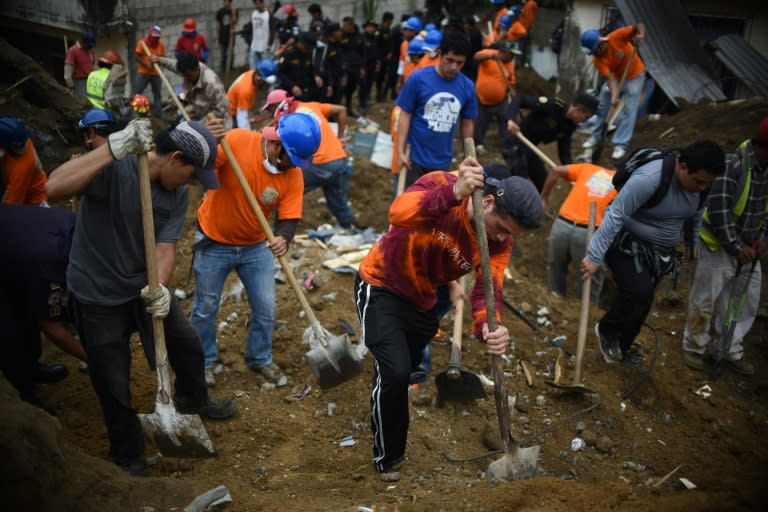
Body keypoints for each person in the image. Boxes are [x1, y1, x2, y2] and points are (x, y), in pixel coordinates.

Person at [45, 118, 237, 476]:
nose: (192, 184)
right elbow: (53, 188)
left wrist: (160, 287)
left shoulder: (175, 192)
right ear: (175, 157)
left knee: (187, 344)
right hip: (96, 293)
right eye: (192, 174)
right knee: (112, 379)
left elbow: (165, 247)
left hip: (142, 288)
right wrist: (112, 149)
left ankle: (191, 400)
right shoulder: (115, 169)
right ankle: (127, 453)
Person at [354, 160, 543, 476]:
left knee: (399, 372)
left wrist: (489, 327)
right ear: (487, 202)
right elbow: (398, 213)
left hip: (424, 299)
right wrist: (452, 193)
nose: (500, 239)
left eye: (508, 236)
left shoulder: (499, 244)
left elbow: (488, 291)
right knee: (397, 373)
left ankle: (385, 388)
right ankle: (388, 459)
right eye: (501, 229)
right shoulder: (443, 183)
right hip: (382, 284)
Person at [190, 113, 321, 388]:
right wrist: (207, 143)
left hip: (255, 246)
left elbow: (288, 219)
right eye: (291, 159)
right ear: (276, 146)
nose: (294, 167)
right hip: (214, 240)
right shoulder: (236, 141)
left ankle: (259, 358)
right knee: (205, 308)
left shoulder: (293, 176)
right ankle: (203, 362)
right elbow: (201, 173)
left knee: (266, 307)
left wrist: (283, 238)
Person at [582, 141, 726, 365]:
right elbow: (616, 214)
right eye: (698, 181)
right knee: (638, 292)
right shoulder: (650, 178)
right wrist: (594, 256)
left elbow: (697, 213)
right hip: (625, 242)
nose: (701, 188)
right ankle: (607, 330)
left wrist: (691, 242)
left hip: (659, 252)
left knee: (644, 303)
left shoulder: (703, 187)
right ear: (683, 167)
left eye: (706, 184)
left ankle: (623, 347)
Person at [682, 119, 768, 376]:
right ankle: (694, 347)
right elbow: (718, 209)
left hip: (748, 250)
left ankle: (730, 348)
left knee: (746, 300)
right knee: (705, 299)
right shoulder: (733, 165)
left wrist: (761, 237)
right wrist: (735, 247)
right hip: (718, 247)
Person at [0, 203, 85, 410]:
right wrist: (94, 361)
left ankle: (32, 367)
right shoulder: (49, 269)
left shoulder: (80, 228)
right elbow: (52, 330)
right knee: (8, 328)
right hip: (14, 255)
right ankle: (23, 393)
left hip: (16, 245)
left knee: (30, 307)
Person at [261, 90, 356, 228]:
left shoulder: (290, 121)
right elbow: (341, 110)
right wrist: (340, 138)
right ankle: (349, 227)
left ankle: (277, 231)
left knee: (284, 190)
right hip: (339, 158)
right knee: (337, 198)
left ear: (278, 105)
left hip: (318, 163)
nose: (271, 112)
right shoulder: (312, 106)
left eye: (271, 108)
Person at [396, 33, 476, 189]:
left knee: (434, 208)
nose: (454, 67)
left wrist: (468, 156)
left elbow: (467, 123)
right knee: (410, 206)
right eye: (450, 60)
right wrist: (400, 151)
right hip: (414, 159)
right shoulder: (418, 79)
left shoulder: (467, 87)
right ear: (440, 54)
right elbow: (405, 114)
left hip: (442, 161)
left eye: (459, 63)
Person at [540, 163, 617, 303]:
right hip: (589, 232)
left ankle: (554, 301)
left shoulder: (588, 168)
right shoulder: (624, 182)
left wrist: (544, 197)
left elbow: (556, 170)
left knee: (556, 266)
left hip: (562, 225)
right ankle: (585, 309)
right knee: (589, 276)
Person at [503, 92, 598, 191]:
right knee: (520, 179)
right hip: (515, 140)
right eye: (586, 117)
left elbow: (564, 152)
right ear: (579, 109)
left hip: (531, 147)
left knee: (543, 181)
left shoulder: (570, 125)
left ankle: (539, 204)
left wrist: (572, 172)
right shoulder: (552, 105)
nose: (585, 121)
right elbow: (519, 98)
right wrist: (510, 120)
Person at [580, 22, 646, 160]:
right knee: (602, 106)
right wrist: (614, 97)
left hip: (634, 75)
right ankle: (596, 137)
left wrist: (640, 34)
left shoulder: (617, 36)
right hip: (616, 78)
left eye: (595, 50)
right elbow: (610, 79)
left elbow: (638, 25)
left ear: (601, 43)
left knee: (629, 110)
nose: (595, 54)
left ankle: (620, 144)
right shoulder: (597, 60)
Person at [155, 52, 231, 129]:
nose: (186, 78)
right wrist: (159, 60)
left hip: (217, 121)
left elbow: (220, 112)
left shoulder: (212, 84)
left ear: (197, 69)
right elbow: (173, 64)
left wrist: (198, 126)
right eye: (184, 75)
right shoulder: (187, 69)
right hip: (197, 108)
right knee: (178, 122)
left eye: (189, 76)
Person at [473, 41, 518, 155]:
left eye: (514, 55)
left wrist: (512, 90)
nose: (513, 57)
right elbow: (476, 57)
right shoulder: (490, 53)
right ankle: (478, 144)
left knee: (505, 121)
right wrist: (490, 56)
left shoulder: (510, 65)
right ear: (504, 52)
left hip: (500, 101)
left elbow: (511, 82)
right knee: (480, 122)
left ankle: (507, 145)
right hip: (481, 99)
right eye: (511, 54)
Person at [1, 117, 47, 206]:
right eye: (18, 147)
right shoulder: (20, 137)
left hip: (34, 201)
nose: (24, 148)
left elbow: (12, 205)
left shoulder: (21, 169)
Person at [228, 59, 276, 129]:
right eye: (264, 83)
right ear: (258, 78)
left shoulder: (252, 73)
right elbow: (242, 118)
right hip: (232, 113)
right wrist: (247, 135)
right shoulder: (245, 90)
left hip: (238, 105)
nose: (265, 87)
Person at [134, 25, 166, 117]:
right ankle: (133, 115)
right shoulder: (142, 43)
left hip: (156, 73)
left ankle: (158, 116)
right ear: (149, 35)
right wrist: (146, 64)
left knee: (157, 95)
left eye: (156, 37)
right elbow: (136, 56)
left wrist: (159, 62)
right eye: (153, 37)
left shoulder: (160, 45)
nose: (154, 39)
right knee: (137, 93)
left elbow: (163, 58)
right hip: (143, 72)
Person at [276, 32, 316, 100]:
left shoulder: (308, 53)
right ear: (300, 43)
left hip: (304, 90)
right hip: (288, 90)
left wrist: (315, 77)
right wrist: (292, 86)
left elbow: (310, 69)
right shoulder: (289, 53)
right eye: (307, 48)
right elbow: (280, 73)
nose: (308, 50)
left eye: (310, 49)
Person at [340, 17, 365, 116]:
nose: (344, 27)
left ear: (351, 25)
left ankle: (349, 106)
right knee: (343, 87)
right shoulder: (342, 35)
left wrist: (362, 67)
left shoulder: (359, 36)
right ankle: (339, 108)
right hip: (345, 66)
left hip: (357, 66)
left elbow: (363, 52)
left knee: (353, 87)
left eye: (346, 25)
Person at [64, 32, 95, 97]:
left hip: (90, 80)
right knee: (83, 102)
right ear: (83, 43)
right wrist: (71, 85)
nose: (90, 47)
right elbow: (68, 71)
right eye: (89, 45)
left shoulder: (90, 50)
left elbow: (92, 63)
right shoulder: (73, 51)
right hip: (79, 82)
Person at [375, 12, 395, 102]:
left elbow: (389, 43)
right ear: (388, 20)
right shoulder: (380, 31)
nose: (392, 22)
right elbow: (377, 46)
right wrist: (379, 59)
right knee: (379, 77)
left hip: (387, 58)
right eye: (391, 20)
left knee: (384, 77)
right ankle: (379, 95)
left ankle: (382, 95)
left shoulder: (388, 30)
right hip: (381, 58)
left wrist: (390, 52)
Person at [215, 0, 238, 72]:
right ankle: (224, 70)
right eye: (224, 1)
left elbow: (235, 22)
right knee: (223, 54)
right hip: (222, 36)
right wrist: (217, 35)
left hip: (231, 36)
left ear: (230, 2)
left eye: (226, 1)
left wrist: (233, 13)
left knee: (231, 54)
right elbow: (218, 24)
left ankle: (231, 69)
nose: (225, 3)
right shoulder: (220, 12)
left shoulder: (234, 10)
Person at [250, 0, 270, 70]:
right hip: (254, 45)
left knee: (264, 69)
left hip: (264, 47)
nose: (256, 6)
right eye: (255, 4)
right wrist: (239, 32)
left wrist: (269, 44)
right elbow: (250, 27)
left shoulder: (268, 14)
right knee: (253, 68)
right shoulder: (254, 13)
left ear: (262, 3)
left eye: (258, 4)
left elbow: (273, 30)